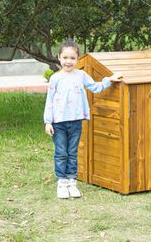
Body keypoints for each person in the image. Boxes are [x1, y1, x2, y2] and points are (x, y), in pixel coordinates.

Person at [44, 39, 122, 199]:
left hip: (75, 122)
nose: (68, 61)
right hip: (58, 123)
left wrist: (109, 79)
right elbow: (49, 101)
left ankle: (72, 182)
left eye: (72, 58)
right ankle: (62, 183)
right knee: (61, 153)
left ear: (77, 59)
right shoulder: (55, 78)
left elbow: (95, 87)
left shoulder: (81, 75)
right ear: (59, 57)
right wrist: (48, 121)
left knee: (72, 152)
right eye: (65, 57)